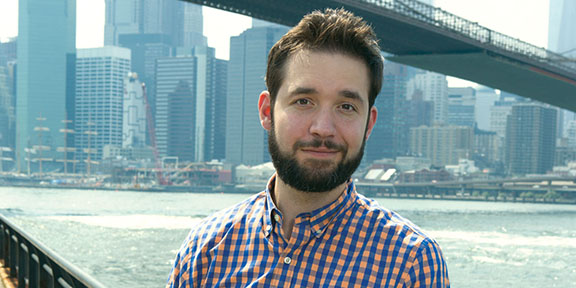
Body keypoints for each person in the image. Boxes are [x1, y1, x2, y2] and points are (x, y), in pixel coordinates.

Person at [167, 8, 449, 287]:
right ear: (267, 111)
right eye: (303, 101)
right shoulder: (204, 250)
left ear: (369, 124)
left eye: (346, 106)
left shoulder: (411, 263)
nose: (323, 128)